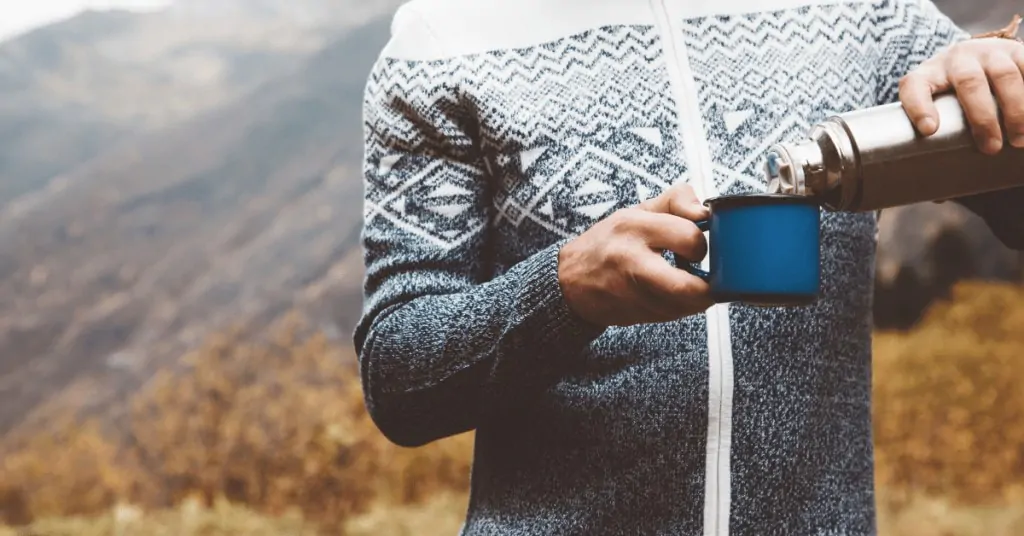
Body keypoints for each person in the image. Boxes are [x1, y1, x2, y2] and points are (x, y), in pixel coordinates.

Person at [354, 0, 1024, 533]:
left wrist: (1010, 65)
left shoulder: (870, 13)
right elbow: (401, 381)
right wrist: (562, 290)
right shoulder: (442, 39)